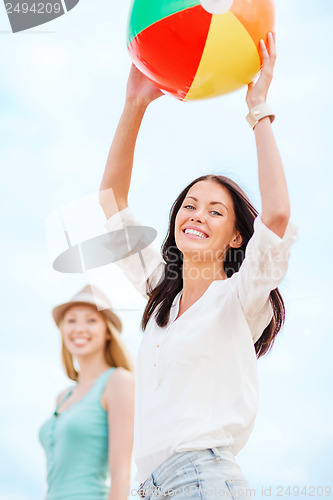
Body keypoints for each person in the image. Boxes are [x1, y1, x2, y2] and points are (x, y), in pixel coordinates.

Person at [99, 33, 298, 499]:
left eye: (215, 211)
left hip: (204, 481)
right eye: (190, 205)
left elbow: (277, 216)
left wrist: (258, 109)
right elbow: (111, 201)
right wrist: (135, 102)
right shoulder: (160, 294)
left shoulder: (242, 297)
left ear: (236, 236)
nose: (197, 216)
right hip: (152, 488)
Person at [39, 284, 135, 500]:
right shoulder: (63, 397)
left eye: (91, 320)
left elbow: (121, 474)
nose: (79, 328)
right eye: (71, 320)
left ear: (107, 332)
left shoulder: (118, 381)